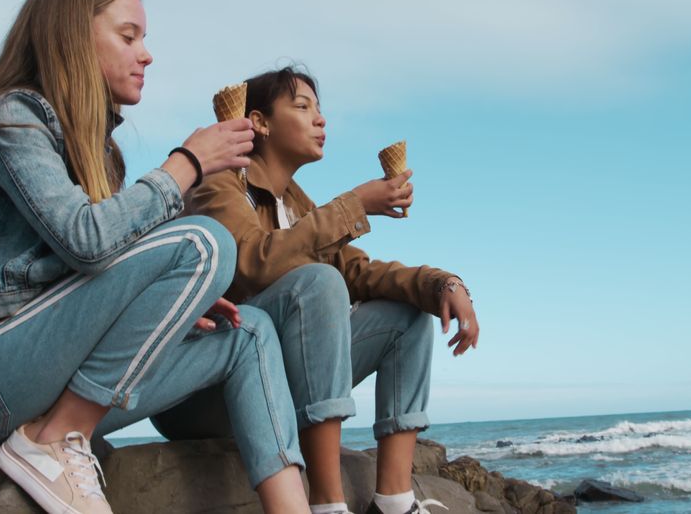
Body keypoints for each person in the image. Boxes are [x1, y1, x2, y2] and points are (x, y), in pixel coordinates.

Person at [0, 0, 309, 514]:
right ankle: (52, 441)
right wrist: (189, 163)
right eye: (129, 37)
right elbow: (85, 240)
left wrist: (172, 297)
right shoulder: (12, 118)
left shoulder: (105, 154)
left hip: (53, 367)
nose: (147, 54)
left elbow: (101, 264)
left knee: (250, 329)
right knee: (205, 242)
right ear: (73, 38)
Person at [157, 67, 479, 514]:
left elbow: (361, 272)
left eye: (320, 109)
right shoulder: (220, 182)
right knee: (318, 281)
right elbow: (251, 263)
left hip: (278, 383)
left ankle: (394, 501)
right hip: (205, 391)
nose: (320, 119)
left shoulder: (297, 204)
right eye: (303, 106)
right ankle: (328, 503)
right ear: (259, 122)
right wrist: (354, 205)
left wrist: (444, 283)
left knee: (408, 314)